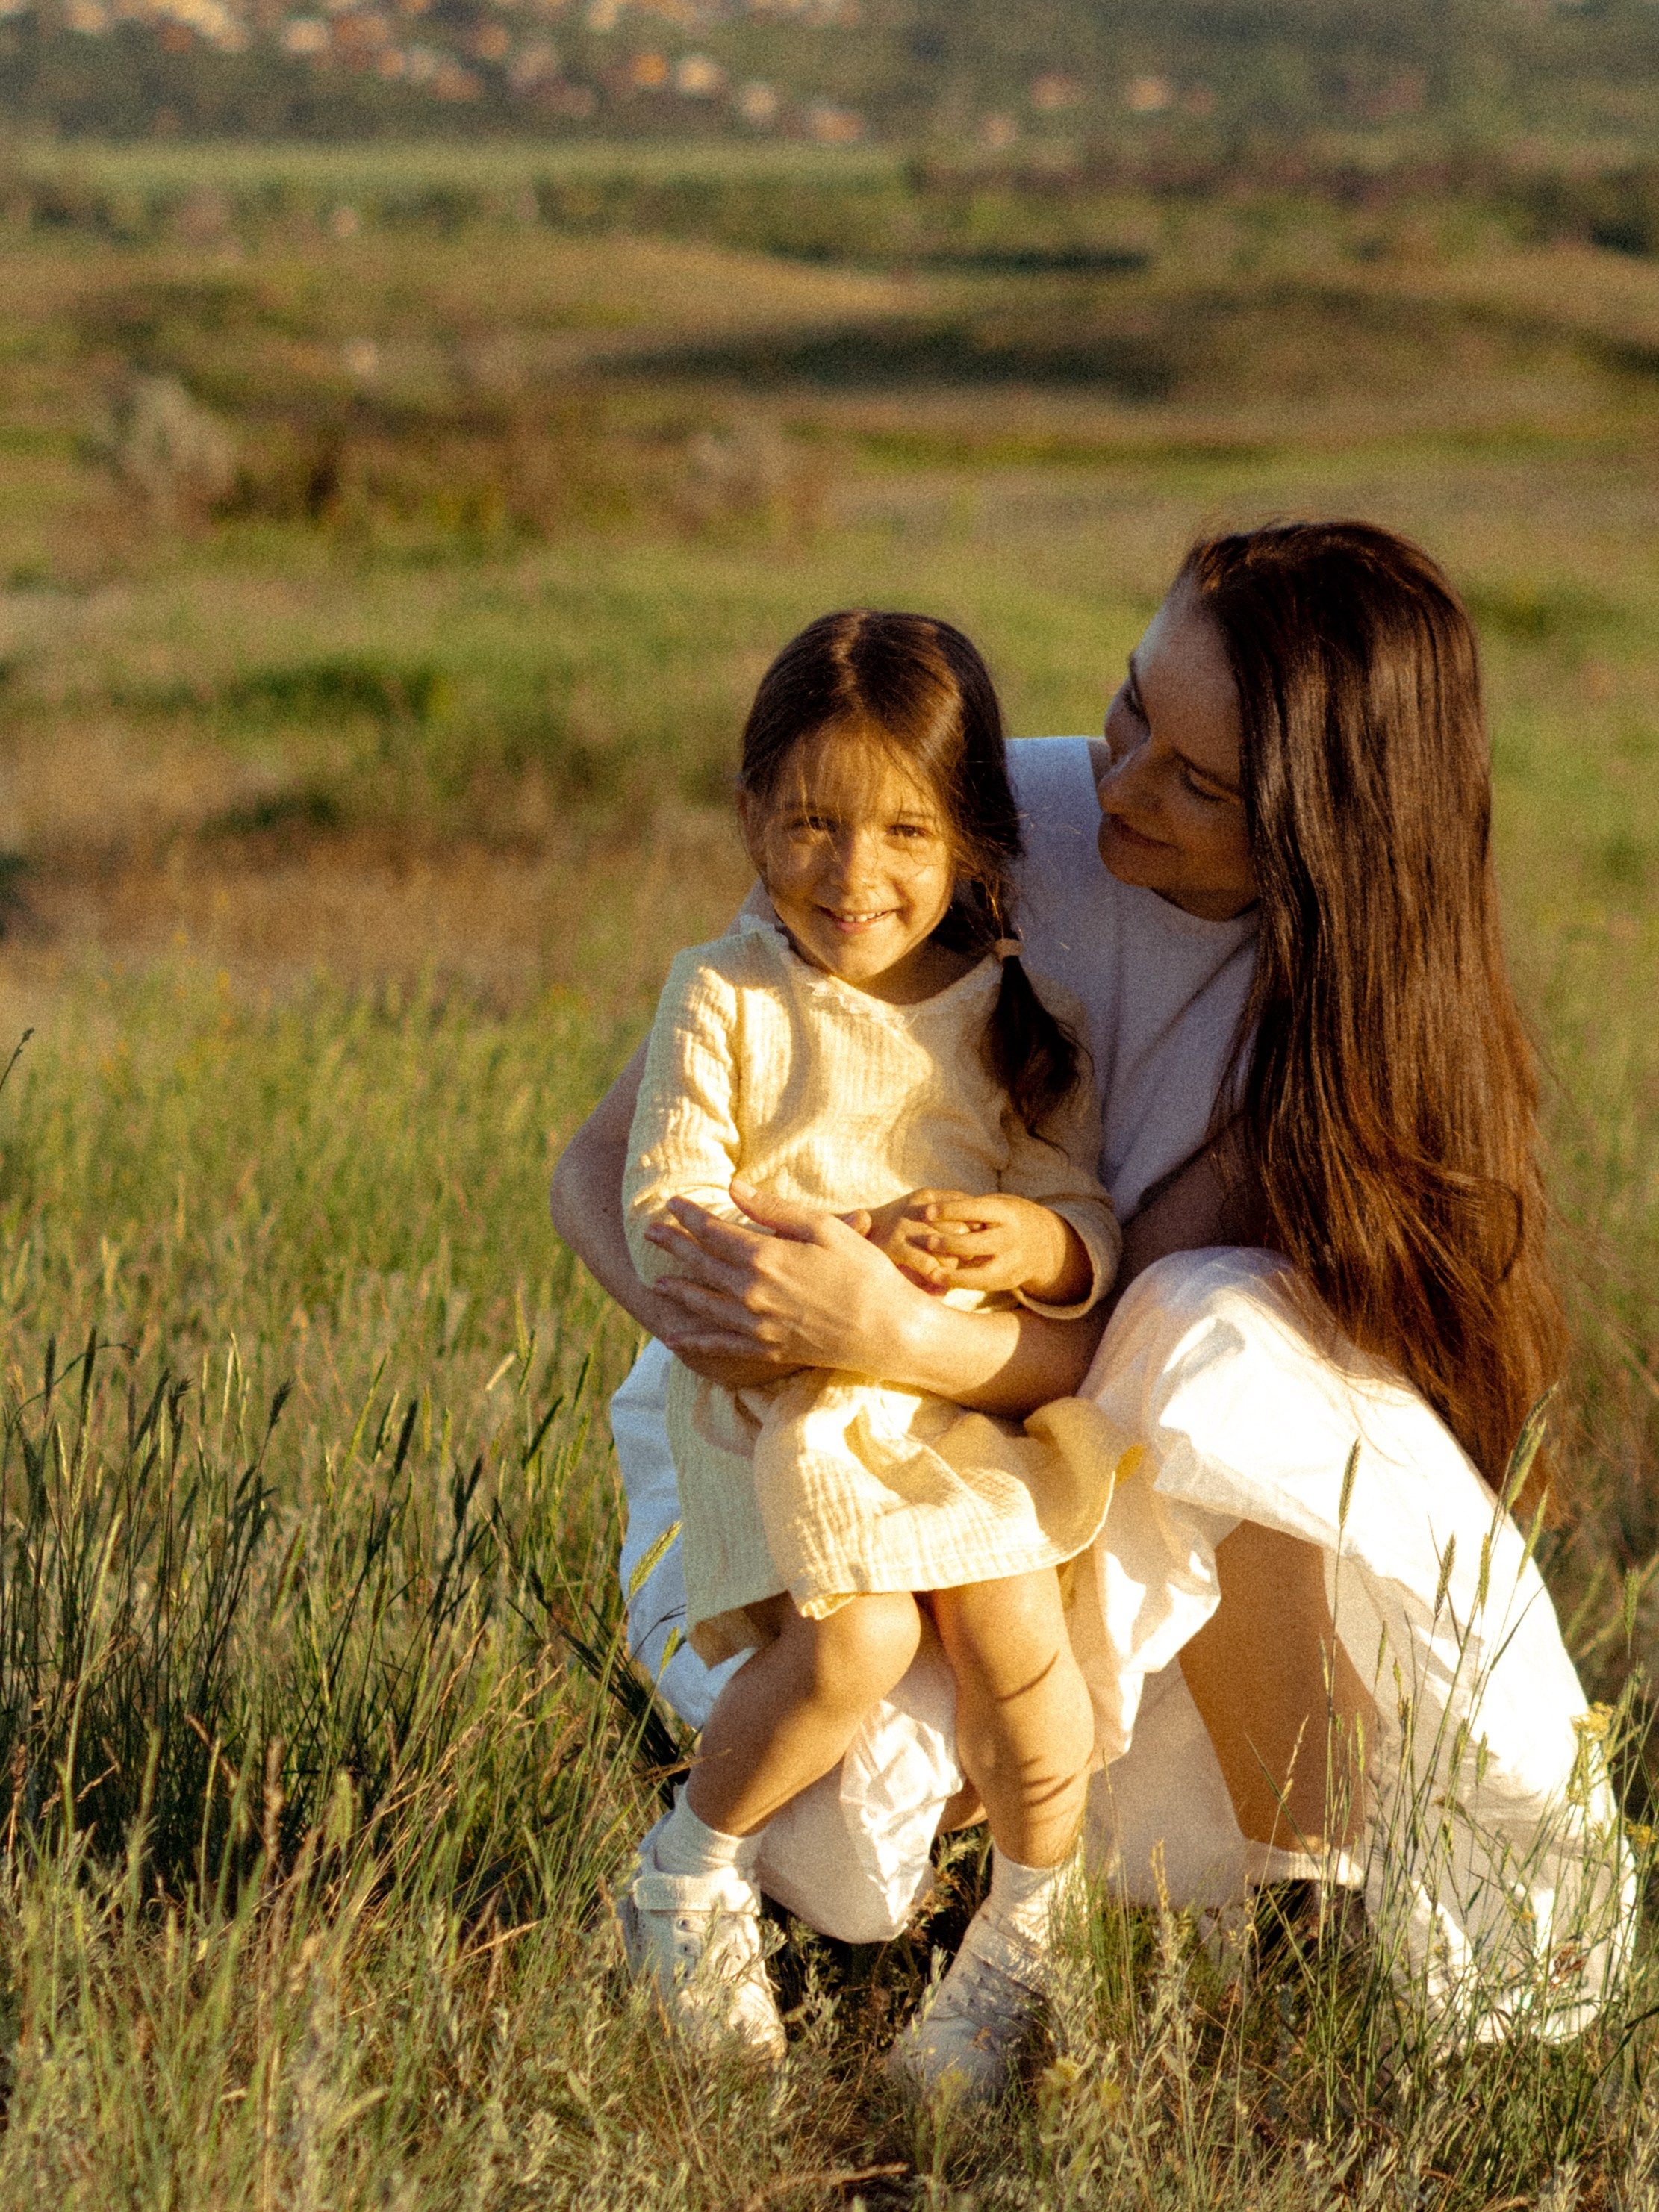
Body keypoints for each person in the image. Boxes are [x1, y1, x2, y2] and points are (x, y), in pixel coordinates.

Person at [553, 521, 1633, 2095]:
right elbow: (602, 1167)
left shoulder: (1324, 1047)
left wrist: (900, 1329)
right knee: (858, 1782)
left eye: (1195, 783)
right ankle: (851, 1898)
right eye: (1133, 712)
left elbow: (1120, 1349)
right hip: (819, 1417)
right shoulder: (997, 821)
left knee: (1226, 1331)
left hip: (1076, 1430)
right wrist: (717, 1304)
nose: (1120, 784)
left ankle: (1287, 1936)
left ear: (1320, 840)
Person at [617, 610, 1124, 2077]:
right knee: (860, 1642)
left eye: (905, 830)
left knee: (1022, 1637)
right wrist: (791, 1280)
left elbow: (1073, 1200)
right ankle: (687, 1877)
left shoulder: (1006, 1009)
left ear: (970, 838)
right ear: (749, 821)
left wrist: (1029, 1247)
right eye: (811, 825)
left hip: (958, 1410)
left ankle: (1029, 1930)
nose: (855, 874)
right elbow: (666, 1199)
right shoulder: (724, 996)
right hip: (789, 1404)